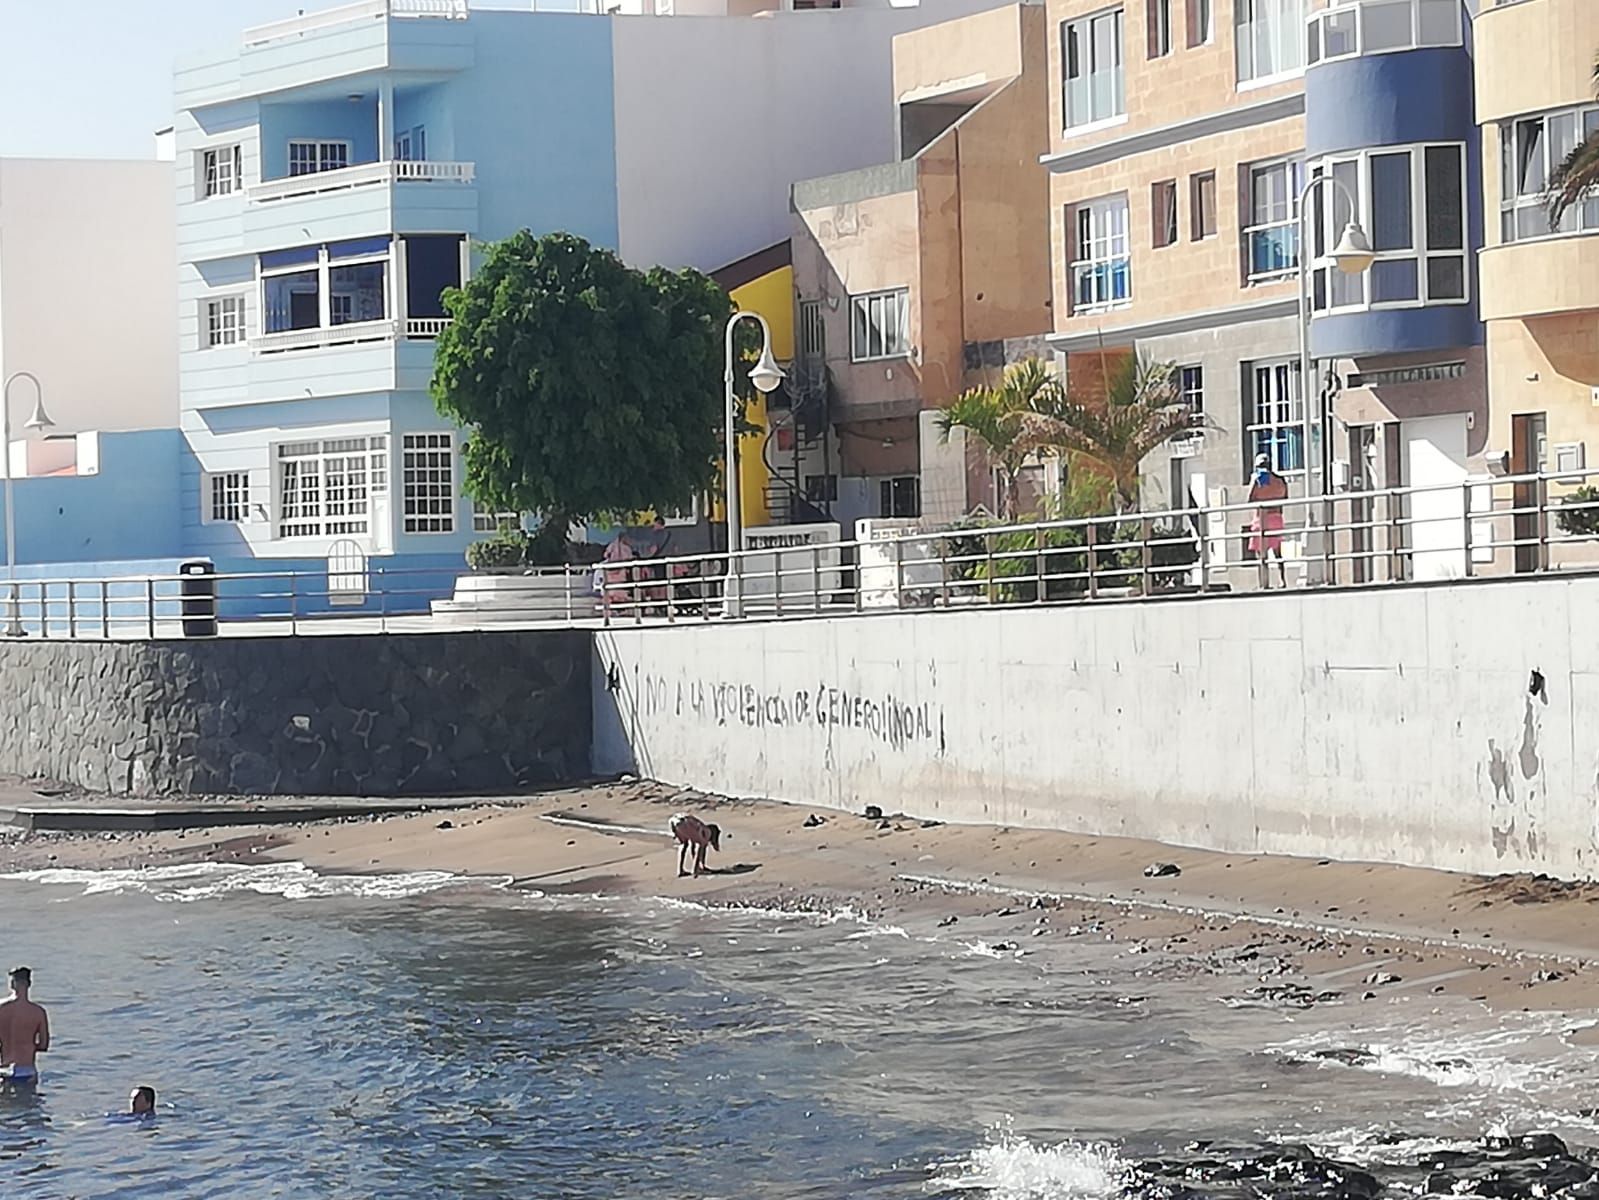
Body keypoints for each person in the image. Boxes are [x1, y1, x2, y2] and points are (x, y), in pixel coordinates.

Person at [0, 966, 50, 1087]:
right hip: (26, 1071)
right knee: (27, 1104)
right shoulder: (38, 1012)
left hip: (3, 1070)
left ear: (12, 984)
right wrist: (27, 1046)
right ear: (29, 984)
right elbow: (44, 1045)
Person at [1247, 453, 1290, 589]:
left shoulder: (1257, 480)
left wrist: (1256, 483)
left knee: (1261, 553)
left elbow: (1250, 498)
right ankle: (1282, 580)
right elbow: (1285, 497)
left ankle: (1263, 583)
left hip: (1262, 518)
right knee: (1278, 552)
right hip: (1276, 516)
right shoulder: (1280, 480)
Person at [669, 813, 722, 878]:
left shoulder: (698, 830)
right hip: (686, 823)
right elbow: (701, 847)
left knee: (684, 844)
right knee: (701, 845)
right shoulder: (707, 832)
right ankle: (695, 870)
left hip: (674, 821)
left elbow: (693, 848)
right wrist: (700, 864)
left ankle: (680, 870)